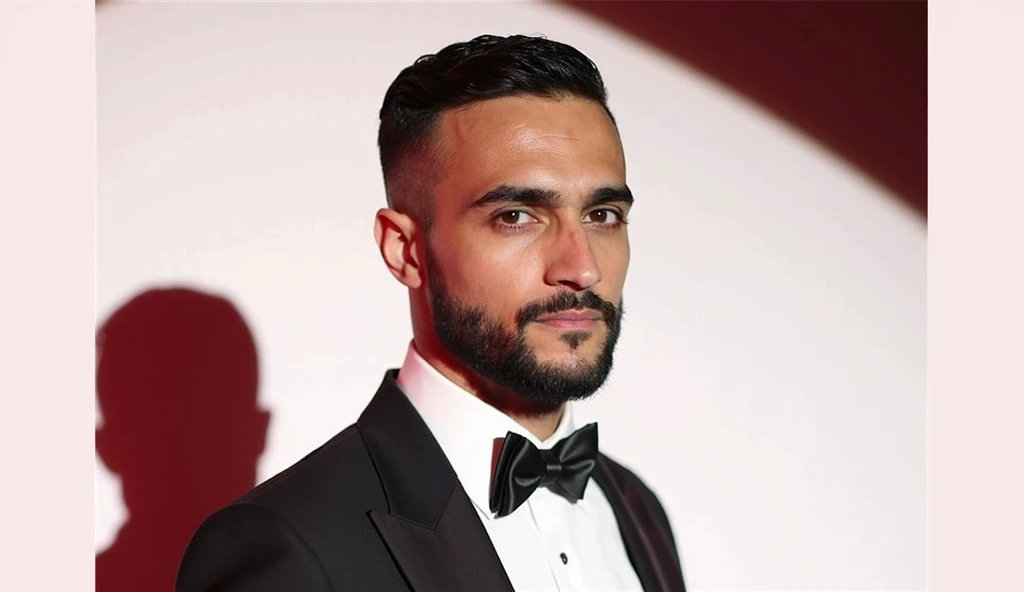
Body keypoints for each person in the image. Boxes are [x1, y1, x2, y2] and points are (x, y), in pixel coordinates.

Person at [176, 34, 686, 592]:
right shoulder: (289, 545)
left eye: (604, 214)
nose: (582, 269)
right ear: (405, 250)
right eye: (516, 215)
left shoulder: (637, 509)